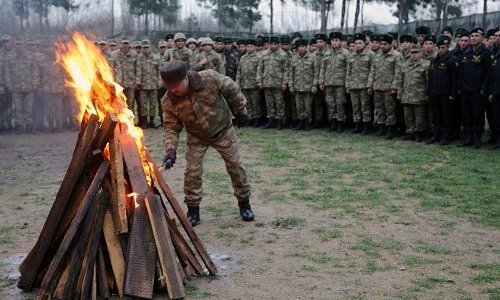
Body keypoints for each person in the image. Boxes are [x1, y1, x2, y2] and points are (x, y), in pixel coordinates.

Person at [160, 60, 254, 226]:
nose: (173, 89)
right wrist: (170, 150)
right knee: (192, 172)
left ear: (186, 77)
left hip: (222, 130)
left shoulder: (209, 78)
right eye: (170, 87)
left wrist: (241, 111)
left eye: (176, 85)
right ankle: (193, 209)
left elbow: (232, 89)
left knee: (236, 166)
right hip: (197, 136)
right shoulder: (168, 101)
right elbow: (171, 128)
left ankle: (244, 203)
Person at [426, 36, 458, 145]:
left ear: (447, 47)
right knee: (436, 116)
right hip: (435, 93)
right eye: (439, 48)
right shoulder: (435, 60)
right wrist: (429, 92)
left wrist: (452, 94)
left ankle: (446, 136)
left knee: (446, 116)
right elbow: (430, 77)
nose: (440, 50)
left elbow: (455, 79)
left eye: (443, 47)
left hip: (446, 94)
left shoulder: (452, 60)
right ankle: (436, 135)